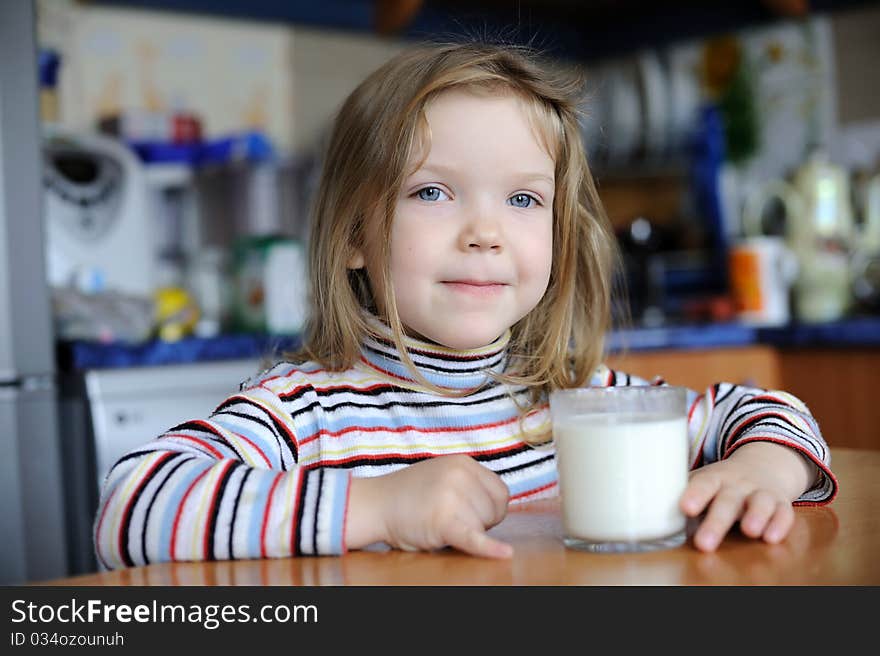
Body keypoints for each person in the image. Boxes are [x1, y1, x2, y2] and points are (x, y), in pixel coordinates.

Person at [94, 41, 836, 570]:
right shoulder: (305, 416)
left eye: (522, 199)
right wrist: (376, 508)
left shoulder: (580, 404)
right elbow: (130, 507)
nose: (485, 233)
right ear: (354, 233)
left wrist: (767, 469)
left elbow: (766, 411)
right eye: (432, 192)